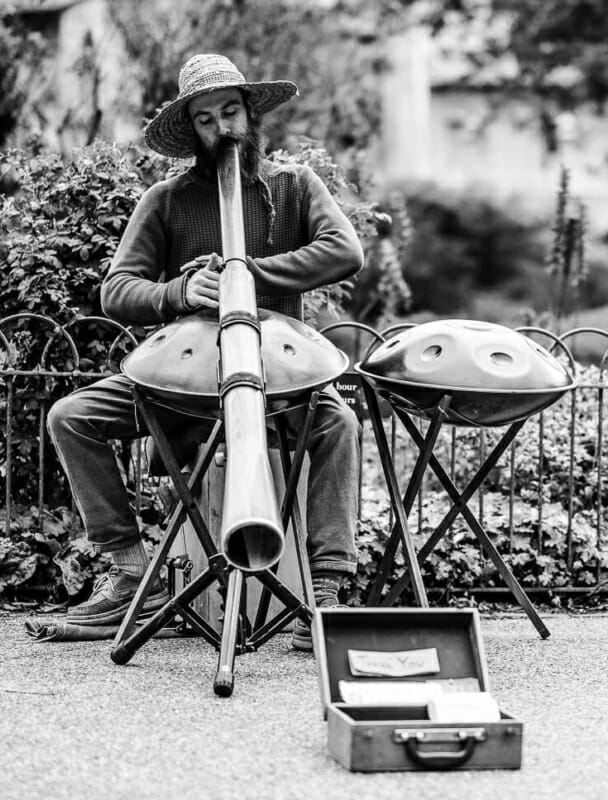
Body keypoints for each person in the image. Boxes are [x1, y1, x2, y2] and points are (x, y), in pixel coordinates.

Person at [47, 53, 363, 651]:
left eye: (231, 112)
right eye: (206, 119)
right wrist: (181, 290)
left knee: (339, 424)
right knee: (72, 418)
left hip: (275, 378)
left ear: (250, 114)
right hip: (185, 385)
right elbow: (116, 289)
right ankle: (128, 570)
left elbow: (345, 251)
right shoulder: (166, 199)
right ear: (191, 130)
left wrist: (248, 271)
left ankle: (324, 592)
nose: (222, 129)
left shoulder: (295, 186)